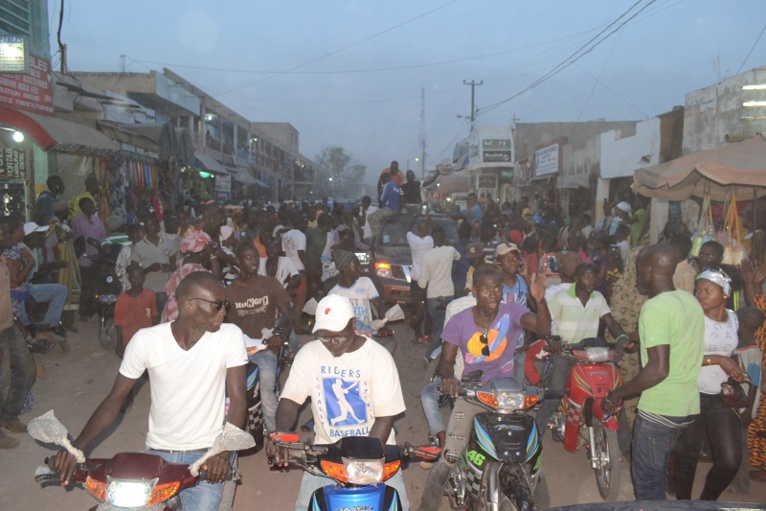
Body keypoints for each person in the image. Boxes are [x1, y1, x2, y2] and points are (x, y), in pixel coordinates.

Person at [54, 272, 247, 511]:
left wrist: (223, 451)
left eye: (225, 305)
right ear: (189, 306)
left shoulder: (229, 336)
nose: (224, 312)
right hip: (157, 454)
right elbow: (114, 401)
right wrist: (77, 446)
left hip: (207, 455)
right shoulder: (146, 341)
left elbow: (238, 402)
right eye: (218, 306)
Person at [417, 265, 550, 511]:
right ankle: (425, 507)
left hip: (507, 396)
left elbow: (542, 329)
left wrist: (540, 302)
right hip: (472, 394)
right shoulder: (459, 322)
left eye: (497, 287)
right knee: (450, 456)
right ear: (475, 291)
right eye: (487, 288)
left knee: (532, 458)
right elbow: (446, 362)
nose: (493, 293)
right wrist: (449, 379)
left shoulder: (513, 313)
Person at [269, 294, 409, 510]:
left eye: (339, 336)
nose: (332, 343)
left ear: (353, 324)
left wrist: (363, 462)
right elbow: (289, 402)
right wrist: (280, 435)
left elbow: (384, 418)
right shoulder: (309, 354)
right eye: (325, 337)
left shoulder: (378, 357)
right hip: (327, 454)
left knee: (396, 505)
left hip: (376, 450)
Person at [604, 243, 705, 501]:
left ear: (649, 269)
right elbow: (675, 334)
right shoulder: (689, 300)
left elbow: (658, 370)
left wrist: (617, 394)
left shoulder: (654, 307)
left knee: (649, 484)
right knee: (662, 476)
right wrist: (638, 338)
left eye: (639, 269)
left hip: (660, 410)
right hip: (688, 407)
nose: (637, 275)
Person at [671, 267, 747, 500]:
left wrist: (736, 368)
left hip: (719, 396)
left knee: (730, 461)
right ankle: (684, 505)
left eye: (707, 290)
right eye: (698, 290)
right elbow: (678, 357)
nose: (700, 295)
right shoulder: (692, 317)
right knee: (687, 457)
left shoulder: (734, 319)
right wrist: (718, 360)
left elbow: (733, 351)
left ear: (725, 293)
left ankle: (706, 502)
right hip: (690, 392)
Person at [535, 263, 633, 436]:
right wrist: (553, 340)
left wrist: (622, 337)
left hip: (590, 351)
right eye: (587, 277)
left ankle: (624, 445)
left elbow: (610, 322)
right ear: (576, 279)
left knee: (611, 392)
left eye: (594, 277)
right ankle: (536, 437)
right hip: (565, 351)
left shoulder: (598, 298)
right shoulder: (561, 298)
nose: (592, 280)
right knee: (555, 395)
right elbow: (546, 321)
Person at [226, 243, 292, 434]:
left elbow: (287, 315)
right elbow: (225, 325)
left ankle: (276, 438)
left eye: (255, 257)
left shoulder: (270, 283)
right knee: (226, 391)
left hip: (265, 348)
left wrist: (280, 336)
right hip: (238, 350)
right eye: (248, 257)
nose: (253, 261)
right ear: (238, 262)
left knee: (266, 389)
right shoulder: (229, 292)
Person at [0, 216, 35, 449]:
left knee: (26, 369)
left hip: (8, 325)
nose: (7, 236)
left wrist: (14, 319)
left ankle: (8, 415)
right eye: (2, 233)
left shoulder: (3, 259)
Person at [327, 251, 392, 353]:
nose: (359, 269)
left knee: (390, 345)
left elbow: (378, 304)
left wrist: (383, 324)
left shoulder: (365, 282)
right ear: (345, 269)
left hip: (368, 332)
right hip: (348, 337)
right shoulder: (334, 293)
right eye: (356, 266)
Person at [418, 225, 461, 358]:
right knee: (448, 328)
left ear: (432, 239)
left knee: (437, 327)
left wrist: (420, 299)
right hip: (448, 294)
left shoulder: (426, 255)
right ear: (444, 238)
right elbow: (458, 257)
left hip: (433, 296)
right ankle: (444, 355)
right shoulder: (450, 251)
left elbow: (422, 283)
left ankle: (432, 355)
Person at [130, 215, 178, 316]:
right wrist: (149, 269)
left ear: (158, 227)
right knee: (150, 319)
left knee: (165, 320)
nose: (149, 227)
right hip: (148, 291)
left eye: (152, 225)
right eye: (147, 225)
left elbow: (175, 266)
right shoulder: (139, 246)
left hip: (167, 290)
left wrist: (169, 267)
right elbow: (133, 270)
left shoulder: (168, 243)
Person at [70, 197, 106, 320]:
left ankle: (94, 310)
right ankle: (84, 312)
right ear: (83, 207)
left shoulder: (97, 221)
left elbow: (103, 238)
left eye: (92, 204)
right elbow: (76, 240)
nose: (92, 206)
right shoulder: (76, 220)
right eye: (89, 204)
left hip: (97, 258)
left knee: (96, 285)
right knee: (86, 286)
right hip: (84, 258)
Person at [114, 266, 157, 358]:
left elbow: (152, 315)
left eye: (139, 276)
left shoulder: (150, 294)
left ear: (144, 278)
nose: (136, 280)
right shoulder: (122, 299)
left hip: (146, 338)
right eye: (133, 277)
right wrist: (119, 344)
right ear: (129, 279)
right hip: (129, 338)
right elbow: (118, 324)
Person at [281, 213, 309, 333]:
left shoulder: (285, 235)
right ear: (300, 223)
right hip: (299, 270)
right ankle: (297, 327)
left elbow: (283, 253)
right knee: (299, 301)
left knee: (288, 301)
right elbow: (301, 253)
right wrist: (308, 268)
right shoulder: (301, 236)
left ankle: (289, 326)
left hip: (288, 271)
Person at [408, 218, 434, 345]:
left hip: (416, 280)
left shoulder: (412, 240)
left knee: (416, 307)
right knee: (428, 308)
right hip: (429, 280)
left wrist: (414, 217)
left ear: (417, 229)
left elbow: (407, 229)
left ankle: (418, 335)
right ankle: (428, 334)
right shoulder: (430, 241)